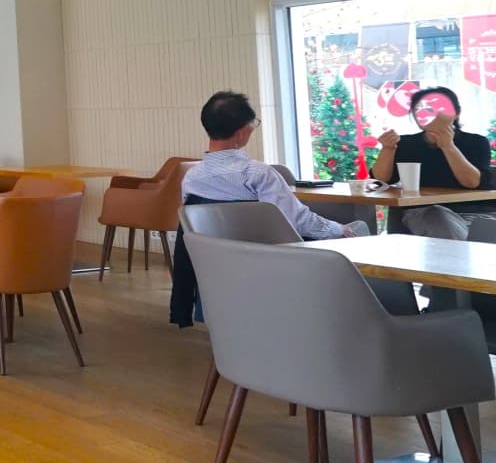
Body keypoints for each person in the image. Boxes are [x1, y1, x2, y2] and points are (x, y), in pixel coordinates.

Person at [169, 90, 380, 326]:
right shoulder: (257, 173)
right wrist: (339, 229)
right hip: (275, 265)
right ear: (242, 132)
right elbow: (297, 221)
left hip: (221, 271)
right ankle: (366, 317)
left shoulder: (192, 178)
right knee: (358, 228)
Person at [369, 85, 494, 240]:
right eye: (421, 109)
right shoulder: (406, 143)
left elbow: (472, 182)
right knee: (437, 216)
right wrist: (388, 149)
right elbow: (381, 180)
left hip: (477, 211)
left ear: (457, 113)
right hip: (425, 211)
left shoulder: (476, 142)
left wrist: (448, 146)